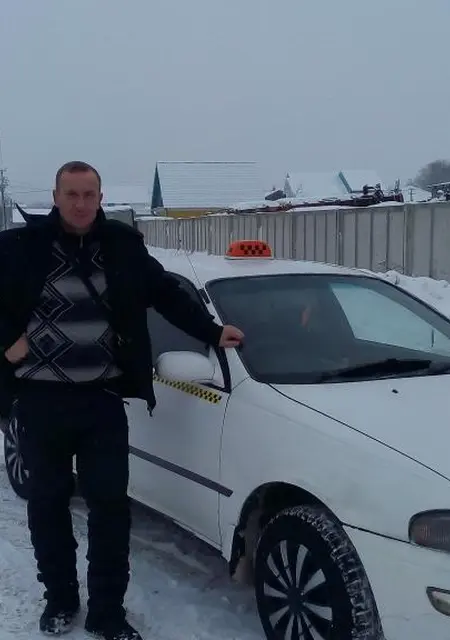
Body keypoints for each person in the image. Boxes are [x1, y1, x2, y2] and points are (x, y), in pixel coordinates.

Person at [0, 161, 243, 640]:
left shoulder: (121, 246)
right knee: (48, 506)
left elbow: (166, 294)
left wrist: (212, 331)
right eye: (72, 194)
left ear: (101, 197)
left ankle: (107, 611)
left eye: (89, 194)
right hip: (40, 400)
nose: (81, 204)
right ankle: (60, 600)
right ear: (55, 196)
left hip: (102, 401)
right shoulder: (19, 247)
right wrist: (6, 339)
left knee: (111, 510)